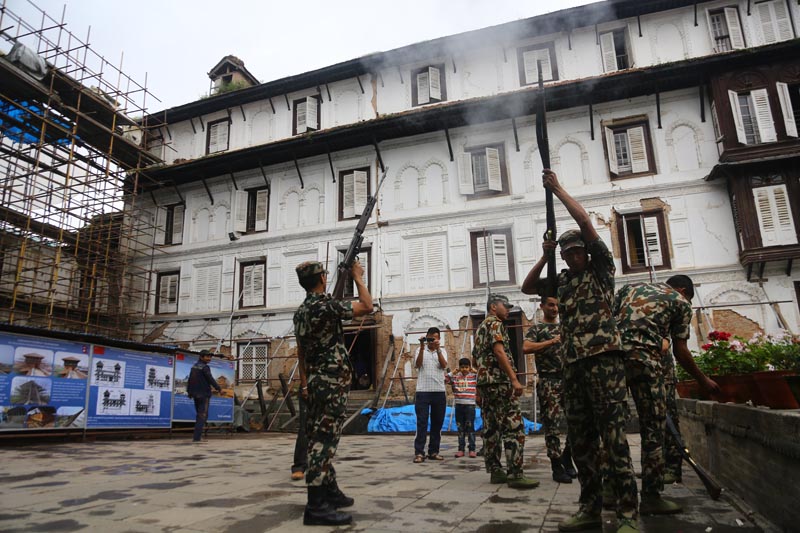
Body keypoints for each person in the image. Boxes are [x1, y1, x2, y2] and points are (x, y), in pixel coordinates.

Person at [521, 169, 638, 533]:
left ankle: (628, 515)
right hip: (573, 368)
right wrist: (545, 255)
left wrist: (558, 189)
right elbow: (527, 287)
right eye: (568, 253)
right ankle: (590, 507)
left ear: (587, 253)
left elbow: (585, 221)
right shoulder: (564, 281)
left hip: (604, 363)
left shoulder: (601, 271)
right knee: (583, 443)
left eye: (577, 251)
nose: (573, 257)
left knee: (615, 441)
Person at [613, 276, 720, 491]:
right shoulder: (680, 302)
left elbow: (611, 319)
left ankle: (613, 486)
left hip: (612, 360)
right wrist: (702, 379)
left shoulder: (628, 289)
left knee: (612, 424)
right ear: (682, 290)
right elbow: (680, 351)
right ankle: (652, 493)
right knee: (653, 426)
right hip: (647, 364)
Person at [293, 259, 373, 526]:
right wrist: (358, 277)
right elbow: (367, 306)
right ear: (322, 279)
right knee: (324, 442)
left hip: (315, 382)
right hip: (331, 383)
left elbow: (301, 352)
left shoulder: (301, 312)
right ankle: (316, 507)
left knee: (319, 436)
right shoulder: (326, 306)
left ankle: (330, 492)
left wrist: (304, 384)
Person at [473, 293, 539, 490]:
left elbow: (477, 360)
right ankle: (515, 473)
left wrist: (479, 388)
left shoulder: (480, 328)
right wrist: (513, 379)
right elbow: (499, 351)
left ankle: (496, 471)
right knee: (513, 426)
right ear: (493, 307)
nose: (508, 309)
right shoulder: (495, 324)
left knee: (491, 427)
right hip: (500, 383)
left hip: (487, 384)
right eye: (505, 306)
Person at [523, 296, 575, 484]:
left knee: (577, 422)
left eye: (557, 305)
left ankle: (567, 456)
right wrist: (551, 342)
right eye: (551, 305)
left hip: (569, 380)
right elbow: (526, 347)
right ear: (542, 306)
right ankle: (556, 465)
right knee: (552, 425)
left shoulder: (566, 327)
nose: (555, 308)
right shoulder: (537, 329)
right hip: (549, 381)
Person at [413, 326, 448, 463]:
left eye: (436, 337)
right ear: (427, 337)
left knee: (437, 423)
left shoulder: (443, 350)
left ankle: (434, 451)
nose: (433, 340)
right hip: (423, 391)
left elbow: (444, 365)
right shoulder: (419, 350)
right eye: (431, 337)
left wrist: (438, 349)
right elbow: (418, 364)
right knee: (421, 422)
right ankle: (419, 452)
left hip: (439, 391)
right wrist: (422, 347)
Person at [187, 351, 221, 443]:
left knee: (199, 414)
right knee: (202, 415)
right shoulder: (205, 367)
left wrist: (189, 392)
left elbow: (190, 380)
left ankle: (197, 436)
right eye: (207, 357)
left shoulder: (194, 366)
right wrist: (218, 387)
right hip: (204, 394)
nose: (209, 359)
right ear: (201, 357)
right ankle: (197, 438)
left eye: (210, 357)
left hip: (195, 394)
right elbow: (210, 378)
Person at [449, 357, 478, 458]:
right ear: (459, 368)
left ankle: (472, 449)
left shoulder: (473, 376)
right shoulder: (456, 377)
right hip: (459, 405)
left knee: (470, 427)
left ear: (469, 367)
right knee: (460, 428)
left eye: (466, 367)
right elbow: (445, 379)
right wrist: (453, 372)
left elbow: (482, 377)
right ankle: (461, 449)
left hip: (470, 405)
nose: (464, 369)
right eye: (462, 367)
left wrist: (475, 371)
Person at [290, 380, 308, 481]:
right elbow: (302, 364)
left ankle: (321, 465)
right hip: (311, 385)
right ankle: (299, 466)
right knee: (304, 428)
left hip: (333, 388)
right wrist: (305, 387)